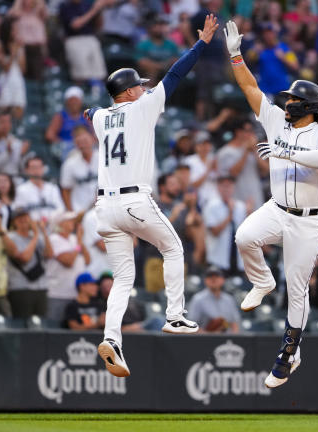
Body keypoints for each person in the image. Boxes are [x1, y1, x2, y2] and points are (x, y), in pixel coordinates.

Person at [89, 16, 219, 378]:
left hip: (104, 209)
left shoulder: (100, 118)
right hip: (134, 202)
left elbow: (91, 110)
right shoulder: (142, 107)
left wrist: (91, 111)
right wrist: (202, 44)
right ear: (129, 92)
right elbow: (176, 74)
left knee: (122, 279)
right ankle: (175, 315)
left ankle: (111, 339)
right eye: (140, 86)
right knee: (174, 249)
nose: (146, 89)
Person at [225, 20, 318, 388]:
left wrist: (286, 150)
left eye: (292, 99)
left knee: (297, 286)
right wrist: (235, 55)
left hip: (308, 219)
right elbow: (249, 88)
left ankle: (289, 352)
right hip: (277, 208)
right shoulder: (276, 122)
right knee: (244, 237)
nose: (285, 102)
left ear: (306, 105)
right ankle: (261, 283)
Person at [6, 207, 53, 318]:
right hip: (20, 288)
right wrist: (36, 235)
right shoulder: (10, 237)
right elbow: (24, 258)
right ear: (14, 222)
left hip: (40, 287)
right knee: (23, 324)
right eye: (19, 218)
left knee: (40, 323)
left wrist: (43, 232)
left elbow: (50, 254)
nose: (23, 220)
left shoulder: (36, 237)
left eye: (25, 217)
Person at [45, 211, 89, 324]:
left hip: (75, 296)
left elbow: (88, 260)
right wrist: (79, 242)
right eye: (69, 220)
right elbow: (69, 262)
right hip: (58, 294)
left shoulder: (74, 239)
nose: (73, 223)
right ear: (59, 223)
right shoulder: (54, 239)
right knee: (55, 328)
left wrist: (79, 241)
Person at [216, 117, 267, 211]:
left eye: (252, 131)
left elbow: (265, 171)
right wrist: (246, 152)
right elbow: (233, 173)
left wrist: (255, 151)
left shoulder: (253, 150)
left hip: (256, 198)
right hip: (236, 201)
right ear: (238, 132)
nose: (251, 134)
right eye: (248, 131)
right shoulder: (225, 152)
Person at [58, 0, 109, 87]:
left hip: (91, 38)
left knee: (99, 73)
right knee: (81, 75)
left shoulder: (87, 5)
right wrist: (94, 9)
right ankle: (82, 95)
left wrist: (100, 9)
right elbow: (75, 25)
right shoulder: (65, 5)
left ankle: (97, 96)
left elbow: (100, 26)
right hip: (74, 39)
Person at [203, 176, 246, 274]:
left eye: (229, 186)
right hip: (218, 259)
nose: (226, 189)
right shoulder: (211, 206)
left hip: (237, 259)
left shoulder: (241, 206)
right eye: (224, 186)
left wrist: (249, 213)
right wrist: (230, 215)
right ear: (218, 187)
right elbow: (215, 232)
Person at [187, 266, 241, 333]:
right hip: (204, 340)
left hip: (226, 340)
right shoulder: (198, 299)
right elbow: (191, 326)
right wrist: (211, 335)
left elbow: (234, 324)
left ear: (223, 280)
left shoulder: (229, 299)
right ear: (205, 280)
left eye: (217, 276)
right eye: (210, 276)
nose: (213, 279)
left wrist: (234, 339)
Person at [0, 17, 26, 119]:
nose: (16, 31)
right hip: (4, 82)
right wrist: (13, 54)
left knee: (18, 114)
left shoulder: (19, 46)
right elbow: (6, 68)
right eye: (14, 29)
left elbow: (23, 69)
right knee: (2, 115)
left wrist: (20, 51)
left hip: (18, 81)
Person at [13, 156, 66, 222]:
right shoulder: (21, 190)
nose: (36, 171)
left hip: (53, 227)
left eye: (39, 167)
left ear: (43, 169)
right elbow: (19, 212)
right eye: (33, 168)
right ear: (27, 170)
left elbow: (61, 209)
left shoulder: (53, 188)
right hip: (32, 229)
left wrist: (51, 219)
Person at [45, 86, 91, 160]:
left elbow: (94, 135)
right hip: (67, 150)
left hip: (85, 147)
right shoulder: (60, 116)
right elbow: (49, 135)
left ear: (81, 101)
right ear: (67, 102)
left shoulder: (87, 116)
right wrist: (63, 144)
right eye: (71, 100)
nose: (74, 103)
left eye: (76, 100)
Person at [60, 127, 98, 213]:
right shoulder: (69, 163)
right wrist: (71, 212)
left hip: (102, 207)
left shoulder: (103, 158)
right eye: (79, 142)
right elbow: (66, 190)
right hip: (80, 210)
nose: (83, 145)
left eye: (85, 141)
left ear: (92, 139)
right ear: (75, 144)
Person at [135, 16, 180, 81]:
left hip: (168, 71)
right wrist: (159, 66)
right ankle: (151, 90)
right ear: (150, 28)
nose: (159, 28)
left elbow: (177, 60)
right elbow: (141, 62)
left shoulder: (171, 44)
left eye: (160, 26)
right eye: (155, 26)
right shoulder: (143, 44)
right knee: (151, 70)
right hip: (150, 73)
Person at [0, 109, 29, 178]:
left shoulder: (17, 143)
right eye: (2, 122)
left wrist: (22, 155)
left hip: (14, 182)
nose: (5, 125)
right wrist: (7, 153)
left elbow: (23, 170)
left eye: (8, 122)